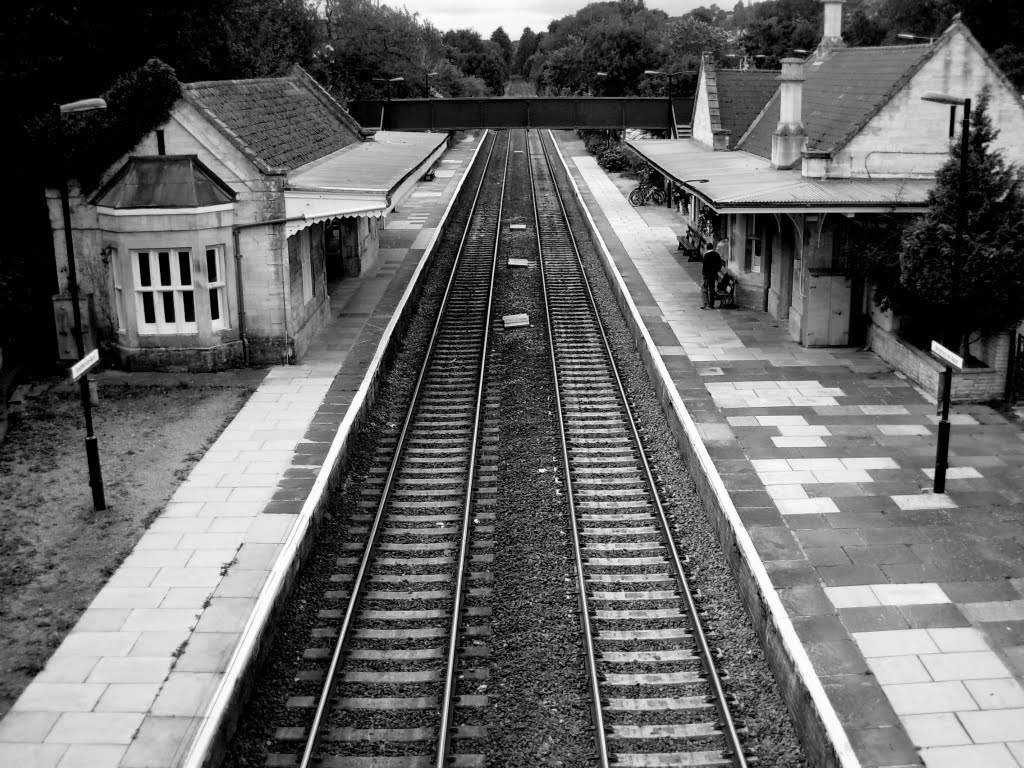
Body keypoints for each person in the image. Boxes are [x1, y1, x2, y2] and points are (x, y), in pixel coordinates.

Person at [701, 243, 722, 309]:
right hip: (714, 275)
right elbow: (720, 264)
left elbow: (705, 267)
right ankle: (711, 304)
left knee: (704, 289)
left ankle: (706, 304)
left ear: (707, 248)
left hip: (707, 275)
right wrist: (716, 271)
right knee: (712, 289)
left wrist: (704, 275)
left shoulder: (706, 255)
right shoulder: (717, 255)